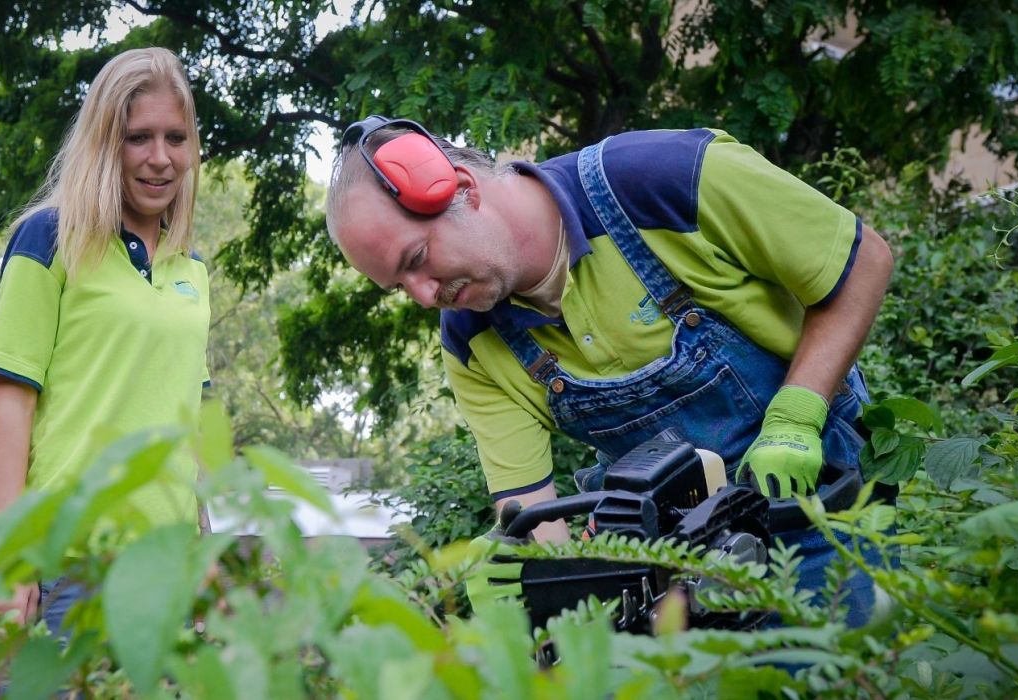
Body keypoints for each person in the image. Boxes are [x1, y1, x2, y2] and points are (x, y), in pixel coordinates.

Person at [324, 116, 894, 624]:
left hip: (820, 512)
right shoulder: (472, 340)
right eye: (399, 287)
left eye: (417, 261)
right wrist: (534, 579)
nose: (424, 298)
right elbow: (534, 515)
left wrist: (797, 412)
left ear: (464, 190)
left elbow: (863, 259)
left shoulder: (664, 181)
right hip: (676, 574)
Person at [0, 47, 210, 643]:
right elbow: (11, 406)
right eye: (139, 138)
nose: (161, 159)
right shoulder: (50, 238)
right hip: (70, 563)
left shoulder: (193, 269)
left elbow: (192, 429)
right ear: (107, 142)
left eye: (176, 138)